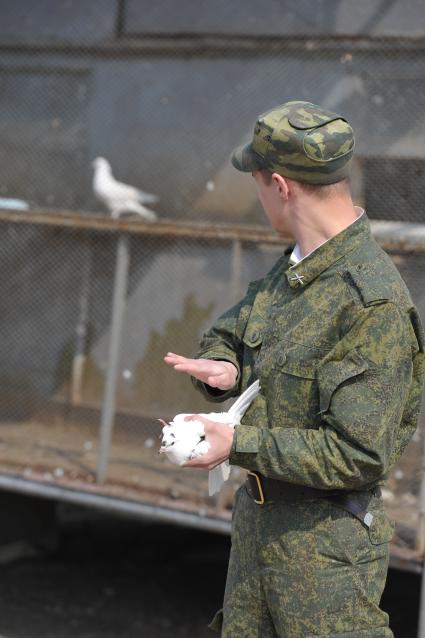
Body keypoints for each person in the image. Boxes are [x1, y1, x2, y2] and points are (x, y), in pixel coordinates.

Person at [164, 100, 425, 637]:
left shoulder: (370, 303)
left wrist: (236, 444)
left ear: (281, 186)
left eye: (257, 183)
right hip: (260, 538)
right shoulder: (295, 268)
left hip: (324, 561)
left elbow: (357, 455)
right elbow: (235, 331)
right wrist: (226, 365)